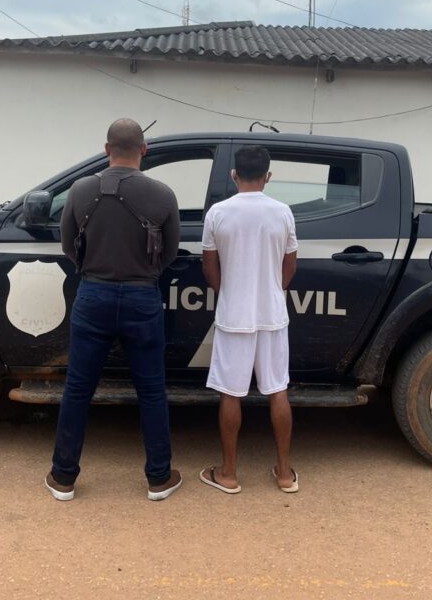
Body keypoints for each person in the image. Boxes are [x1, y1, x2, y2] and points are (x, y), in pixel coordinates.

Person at [45, 118, 182, 502]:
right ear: (144, 150)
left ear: (106, 150)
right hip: (142, 297)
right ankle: (159, 478)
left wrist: (94, 270)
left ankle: (63, 477)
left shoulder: (80, 189)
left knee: (78, 389)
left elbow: (68, 245)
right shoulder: (163, 194)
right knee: (151, 390)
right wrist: (144, 274)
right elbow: (170, 252)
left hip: (93, 295)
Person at [199, 145, 299, 495]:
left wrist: (227, 293)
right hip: (273, 314)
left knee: (231, 393)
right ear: (268, 176)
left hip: (233, 315)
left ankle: (228, 474)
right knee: (277, 390)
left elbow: (209, 267)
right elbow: (290, 265)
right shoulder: (283, 212)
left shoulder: (218, 213)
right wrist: (272, 290)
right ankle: (284, 474)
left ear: (233, 175)